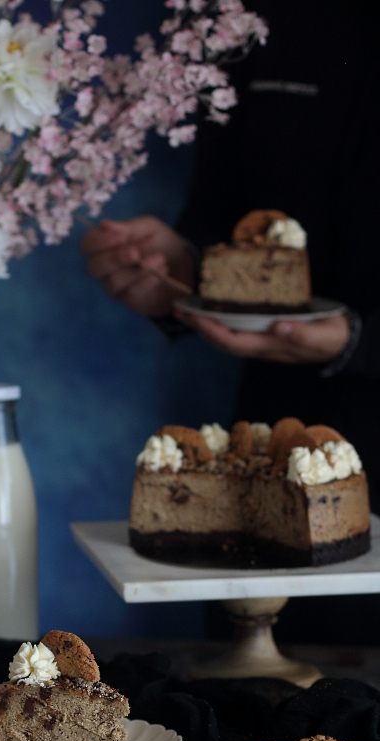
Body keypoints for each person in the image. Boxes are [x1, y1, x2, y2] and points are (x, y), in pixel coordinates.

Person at [81, 0, 380, 643]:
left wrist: (363, 342)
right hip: (271, 459)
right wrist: (180, 270)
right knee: (264, 710)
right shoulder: (250, 18)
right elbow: (219, 220)